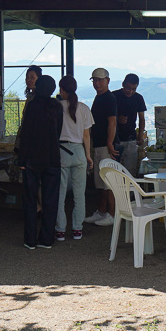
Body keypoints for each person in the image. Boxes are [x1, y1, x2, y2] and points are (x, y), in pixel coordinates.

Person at [15, 75, 64, 249]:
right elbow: (58, 132)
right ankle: (46, 239)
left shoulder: (33, 106)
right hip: (52, 158)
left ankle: (30, 240)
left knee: (30, 199)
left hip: (32, 160)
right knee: (51, 200)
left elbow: (26, 134)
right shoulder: (57, 106)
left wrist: (22, 159)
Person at [55, 76, 94, 241]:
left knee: (60, 194)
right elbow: (86, 135)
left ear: (61, 90)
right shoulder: (84, 108)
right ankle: (77, 229)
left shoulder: (56, 107)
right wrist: (88, 156)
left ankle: (60, 230)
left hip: (61, 151)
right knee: (79, 194)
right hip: (79, 152)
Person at [83, 67, 117, 226]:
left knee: (108, 181)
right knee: (100, 182)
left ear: (107, 81)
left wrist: (110, 143)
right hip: (98, 145)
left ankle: (112, 213)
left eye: (100, 80)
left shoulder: (109, 98)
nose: (97, 83)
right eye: (95, 80)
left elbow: (112, 122)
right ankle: (102, 211)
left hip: (105, 146)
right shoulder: (99, 98)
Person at [112, 73, 147, 177]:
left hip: (131, 137)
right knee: (115, 169)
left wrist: (140, 135)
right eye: (128, 88)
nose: (130, 91)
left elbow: (141, 118)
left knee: (130, 170)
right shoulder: (114, 96)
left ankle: (130, 192)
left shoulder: (138, 98)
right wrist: (117, 119)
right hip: (115, 138)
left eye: (133, 89)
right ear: (123, 84)